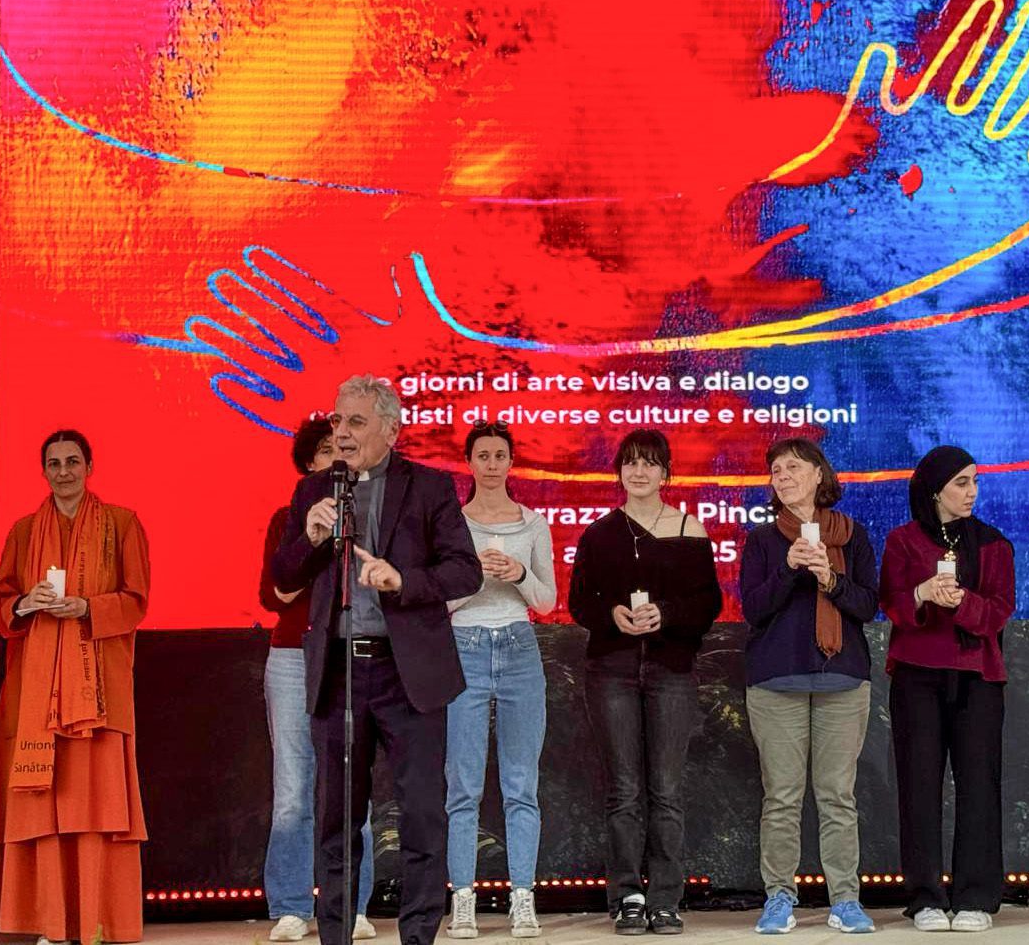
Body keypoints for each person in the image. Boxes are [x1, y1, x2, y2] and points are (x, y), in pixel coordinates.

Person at [271, 375, 483, 945]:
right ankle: (336, 936)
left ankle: (418, 937)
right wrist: (312, 539)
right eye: (337, 421)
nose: (342, 433)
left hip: (408, 673)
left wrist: (403, 580)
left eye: (356, 422)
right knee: (336, 817)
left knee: (421, 814)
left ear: (391, 430)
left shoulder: (429, 487)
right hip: (337, 673)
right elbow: (283, 578)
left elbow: (465, 570)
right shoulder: (312, 492)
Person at [0, 429, 151, 945]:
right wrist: (25, 603)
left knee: (95, 806)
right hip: (36, 696)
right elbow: (1, 608)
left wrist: (86, 607)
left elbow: (137, 601)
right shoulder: (22, 531)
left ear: (89, 466)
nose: (64, 472)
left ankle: (98, 921)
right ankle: (49, 923)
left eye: (73, 461)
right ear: (43, 471)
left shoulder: (122, 524)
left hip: (98, 693)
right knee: (43, 807)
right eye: (54, 463)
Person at [568, 429, 722, 936]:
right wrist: (611, 614)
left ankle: (666, 898)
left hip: (671, 672)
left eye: (649, 463)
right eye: (630, 462)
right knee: (624, 790)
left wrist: (667, 614)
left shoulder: (690, 529)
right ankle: (627, 895)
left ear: (665, 473)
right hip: (610, 671)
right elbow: (579, 602)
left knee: (667, 789)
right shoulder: (598, 533)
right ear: (618, 471)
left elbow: (708, 604)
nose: (639, 472)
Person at [739, 439, 880, 935]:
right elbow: (754, 609)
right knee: (781, 796)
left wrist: (832, 581)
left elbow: (868, 605)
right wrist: (789, 568)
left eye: (793, 467)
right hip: (776, 682)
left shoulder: (853, 535)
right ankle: (779, 896)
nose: (782, 476)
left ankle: (845, 899)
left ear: (819, 474)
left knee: (837, 795)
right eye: (776, 470)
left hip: (843, 679)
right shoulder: (762, 540)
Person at [880, 445, 1014, 934]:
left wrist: (961, 603)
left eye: (975, 481)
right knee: (918, 786)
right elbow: (891, 604)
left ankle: (976, 896)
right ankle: (925, 898)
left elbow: (999, 611)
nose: (972, 491)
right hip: (917, 676)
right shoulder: (902, 541)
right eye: (962, 482)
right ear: (935, 490)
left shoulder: (995, 544)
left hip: (978, 676)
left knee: (979, 786)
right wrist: (922, 593)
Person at [260, 416, 377, 943]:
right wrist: (313, 538)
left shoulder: (371, 516)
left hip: (348, 655)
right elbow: (275, 595)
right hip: (291, 656)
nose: (337, 458)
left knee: (353, 786)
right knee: (293, 788)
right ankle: (290, 905)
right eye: (327, 450)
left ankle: (352, 904)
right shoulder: (287, 517)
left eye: (344, 449)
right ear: (309, 463)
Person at [446, 422, 557, 940]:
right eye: (483, 455)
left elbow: (547, 602)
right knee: (462, 785)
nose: (491, 464)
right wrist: (476, 578)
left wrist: (518, 574)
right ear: (469, 462)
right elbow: (439, 601)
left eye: (500, 455)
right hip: (464, 647)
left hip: (518, 646)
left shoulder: (533, 523)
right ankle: (462, 900)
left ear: (512, 463)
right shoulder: (452, 525)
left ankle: (523, 898)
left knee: (521, 784)